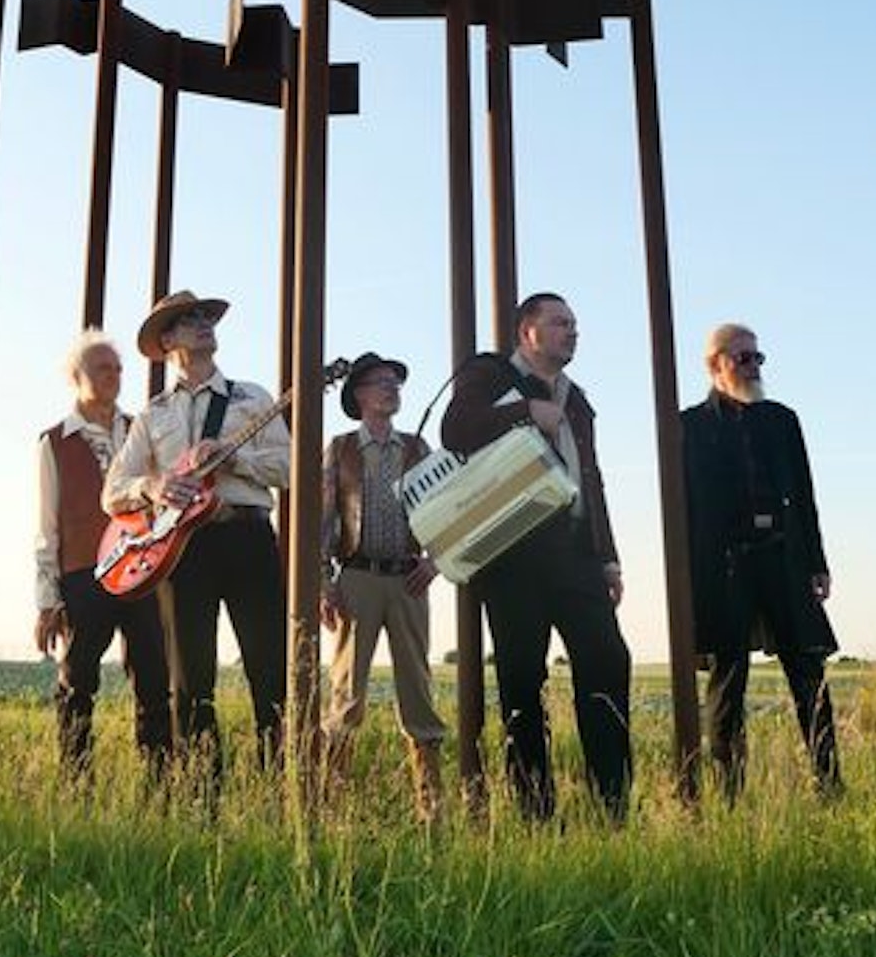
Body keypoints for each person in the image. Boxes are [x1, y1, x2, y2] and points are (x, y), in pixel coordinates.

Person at [441, 292, 631, 822]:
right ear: (528, 331)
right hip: (512, 555)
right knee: (523, 679)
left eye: (574, 323)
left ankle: (612, 807)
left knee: (608, 661)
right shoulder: (490, 374)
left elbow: (591, 480)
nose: (573, 332)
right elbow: (455, 430)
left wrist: (608, 557)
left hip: (576, 553)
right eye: (560, 322)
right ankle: (535, 811)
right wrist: (525, 411)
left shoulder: (577, 400)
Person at [102, 290, 290, 799]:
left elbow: (290, 468)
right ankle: (202, 800)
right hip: (182, 551)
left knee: (270, 670)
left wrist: (238, 460)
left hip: (248, 537)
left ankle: (277, 795)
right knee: (190, 681)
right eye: (189, 320)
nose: (204, 324)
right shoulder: (152, 415)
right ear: (167, 342)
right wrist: (153, 486)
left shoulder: (253, 398)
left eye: (207, 317)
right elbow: (112, 492)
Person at [682, 322, 841, 801]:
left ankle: (830, 786)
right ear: (715, 365)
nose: (753, 366)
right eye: (743, 357)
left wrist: (817, 563)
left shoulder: (781, 420)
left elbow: (804, 496)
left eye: (758, 357)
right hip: (725, 568)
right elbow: (684, 512)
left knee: (809, 673)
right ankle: (729, 795)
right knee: (728, 680)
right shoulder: (689, 427)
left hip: (783, 560)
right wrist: (689, 581)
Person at [35, 329, 171, 783]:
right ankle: (76, 785)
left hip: (142, 570)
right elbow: (47, 526)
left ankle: (160, 788)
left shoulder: (140, 430)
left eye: (117, 368)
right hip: (83, 575)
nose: (113, 375)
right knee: (77, 683)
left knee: (154, 680)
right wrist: (47, 599)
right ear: (76, 376)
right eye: (102, 368)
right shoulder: (54, 441)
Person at [320, 352, 446, 822]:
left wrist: (436, 560)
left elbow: (445, 507)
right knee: (346, 693)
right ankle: (332, 804)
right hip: (356, 578)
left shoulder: (417, 447)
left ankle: (431, 806)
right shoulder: (339, 449)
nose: (391, 388)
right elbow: (323, 519)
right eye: (381, 382)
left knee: (418, 689)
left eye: (395, 382)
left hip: (409, 580)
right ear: (359, 395)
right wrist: (323, 583)